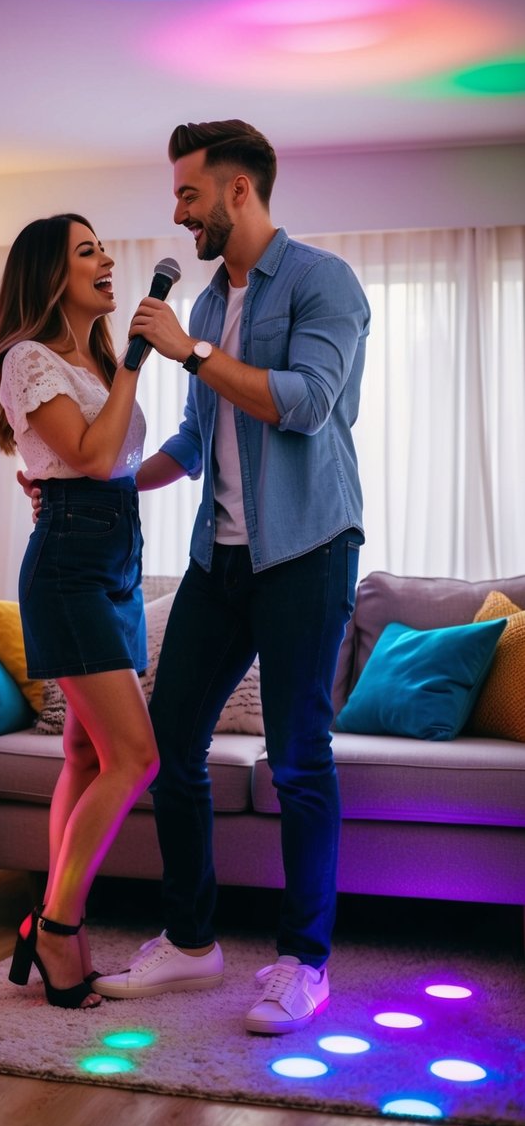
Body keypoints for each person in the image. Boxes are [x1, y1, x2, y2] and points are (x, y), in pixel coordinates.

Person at [91, 120, 370, 1035]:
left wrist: (188, 351)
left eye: (187, 196)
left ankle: (304, 963)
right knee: (168, 746)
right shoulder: (205, 306)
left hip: (306, 553)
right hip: (219, 559)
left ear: (238, 191)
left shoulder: (322, 282)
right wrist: (100, 483)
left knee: (298, 759)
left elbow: (304, 401)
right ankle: (190, 941)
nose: (178, 215)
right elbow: (189, 437)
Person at [0, 213, 159, 1010]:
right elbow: (86, 455)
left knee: (86, 755)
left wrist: (197, 455)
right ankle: (57, 926)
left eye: (102, 248)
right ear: (52, 275)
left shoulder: (93, 360)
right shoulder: (29, 359)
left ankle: (51, 922)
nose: (108, 260)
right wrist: (137, 364)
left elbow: (112, 466)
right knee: (134, 755)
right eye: (88, 252)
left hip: (114, 557)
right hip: (70, 567)